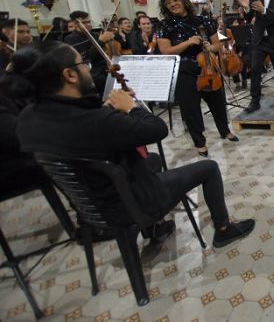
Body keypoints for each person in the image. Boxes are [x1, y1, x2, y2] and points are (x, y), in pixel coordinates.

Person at [11, 44, 254, 247]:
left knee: (155, 160)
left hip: (89, 208)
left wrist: (109, 111)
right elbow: (158, 130)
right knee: (209, 167)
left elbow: (80, 133)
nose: (87, 68)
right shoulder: (98, 122)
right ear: (70, 75)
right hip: (129, 204)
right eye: (82, 64)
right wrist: (132, 107)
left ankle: (157, 230)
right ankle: (223, 230)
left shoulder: (28, 118)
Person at [156, 0, 239, 157]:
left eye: (175, 0)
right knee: (191, 109)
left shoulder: (203, 21)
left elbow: (218, 44)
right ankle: (200, 142)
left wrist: (211, 47)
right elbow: (166, 51)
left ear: (183, 0)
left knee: (218, 102)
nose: (172, 4)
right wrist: (188, 43)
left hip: (208, 67)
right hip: (185, 72)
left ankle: (224, 130)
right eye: (168, 3)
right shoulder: (164, 25)